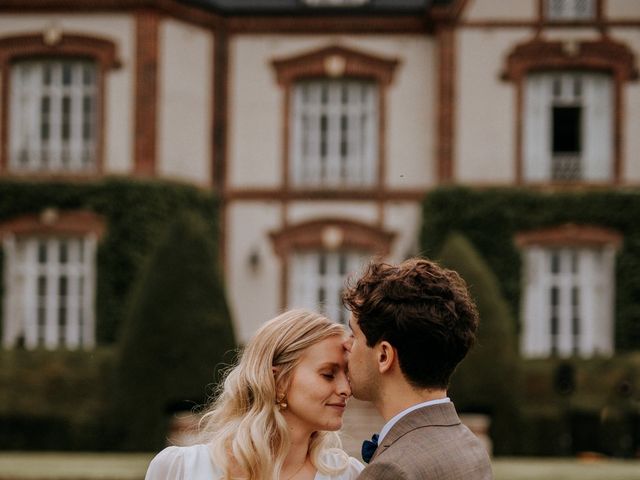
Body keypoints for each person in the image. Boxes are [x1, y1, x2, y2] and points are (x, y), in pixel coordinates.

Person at [144, 309, 363, 480]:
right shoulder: (181, 469)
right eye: (328, 374)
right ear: (278, 381)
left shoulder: (349, 475)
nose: (346, 389)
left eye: (347, 374)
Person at [343, 258, 493, 480]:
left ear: (384, 355)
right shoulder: (471, 445)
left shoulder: (391, 470)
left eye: (354, 335)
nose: (346, 344)